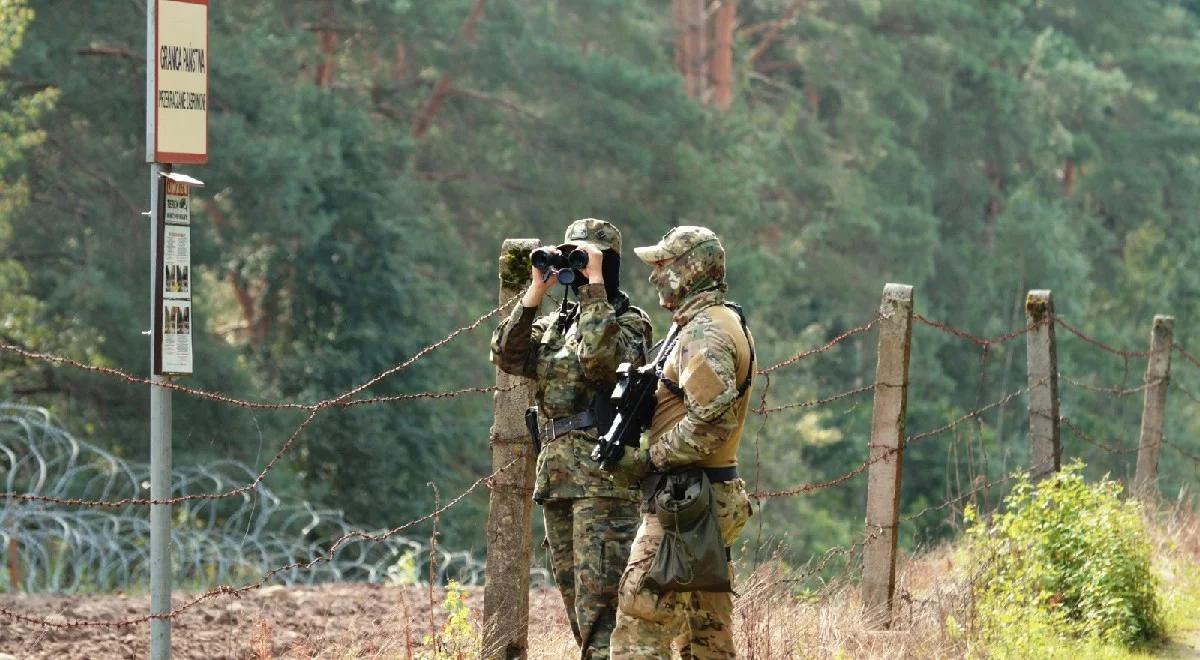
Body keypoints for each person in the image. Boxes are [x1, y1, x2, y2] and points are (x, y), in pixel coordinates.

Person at [491, 218, 653, 659]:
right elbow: (507, 355)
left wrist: (595, 288)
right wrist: (535, 292)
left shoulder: (628, 322)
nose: (577, 268)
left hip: (603, 481)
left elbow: (602, 364)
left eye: (586, 258)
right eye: (572, 258)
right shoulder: (556, 324)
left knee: (602, 613)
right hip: (558, 478)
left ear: (609, 265)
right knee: (577, 612)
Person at [608, 226, 756, 660]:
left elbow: (712, 425)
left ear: (690, 271)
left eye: (663, 266)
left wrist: (647, 459)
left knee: (639, 626)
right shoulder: (714, 322)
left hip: (688, 502)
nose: (654, 277)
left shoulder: (704, 333)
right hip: (703, 497)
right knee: (704, 635)